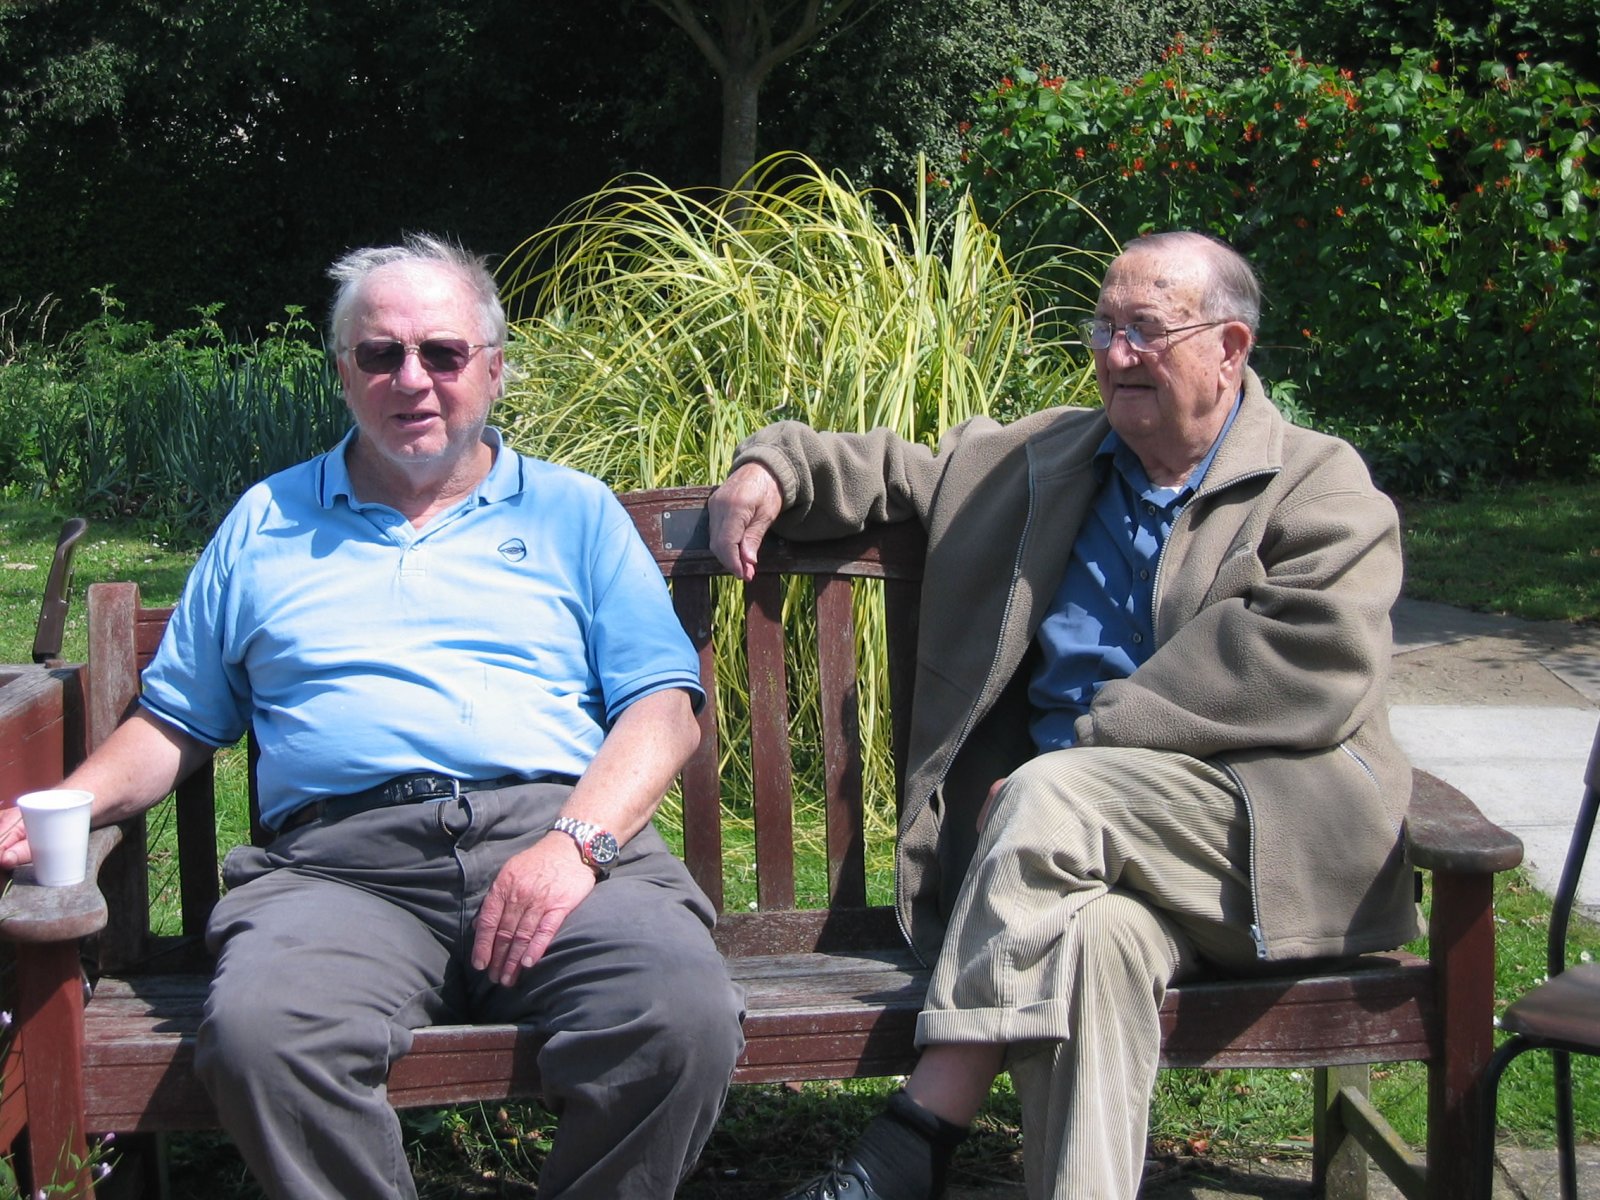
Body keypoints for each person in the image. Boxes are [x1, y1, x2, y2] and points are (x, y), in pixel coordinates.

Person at [0, 234, 745, 1199]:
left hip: (559, 841)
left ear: (494, 369)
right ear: (344, 373)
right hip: (342, 870)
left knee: (679, 1016)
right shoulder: (266, 523)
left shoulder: (574, 513)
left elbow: (664, 708)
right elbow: (178, 720)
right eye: (381, 354)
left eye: (443, 353)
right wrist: (62, 806)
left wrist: (574, 846)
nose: (413, 378)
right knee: (265, 1037)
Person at [708, 231, 1417, 1200]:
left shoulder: (1317, 486)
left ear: (1230, 349)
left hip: (1251, 847)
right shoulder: (1049, 461)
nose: (1116, 354)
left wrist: (1084, 750)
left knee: (1053, 794)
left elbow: (1309, 661)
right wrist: (774, 466)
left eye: (1146, 330)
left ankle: (918, 1132)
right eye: (1104, 327)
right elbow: (897, 469)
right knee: (1093, 947)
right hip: (1072, 867)